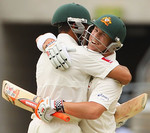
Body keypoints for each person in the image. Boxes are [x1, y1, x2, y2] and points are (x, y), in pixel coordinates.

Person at [28, 3, 131, 133]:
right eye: (93, 29)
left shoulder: (45, 53)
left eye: (102, 35)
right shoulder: (82, 54)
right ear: (77, 25)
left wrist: (44, 39)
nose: (92, 35)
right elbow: (125, 76)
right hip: (63, 126)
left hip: (36, 125)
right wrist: (56, 105)